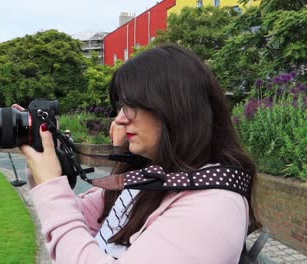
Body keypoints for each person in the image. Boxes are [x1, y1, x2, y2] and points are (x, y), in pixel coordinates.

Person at [20, 44, 261, 263]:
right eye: (121, 107)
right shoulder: (157, 174)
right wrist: (42, 164)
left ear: (173, 107)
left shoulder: (212, 206)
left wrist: (52, 187)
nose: (120, 119)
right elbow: (80, 217)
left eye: (131, 106)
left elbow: (64, 218)